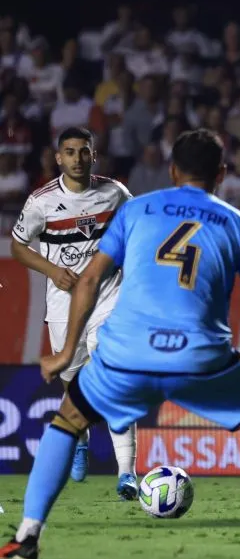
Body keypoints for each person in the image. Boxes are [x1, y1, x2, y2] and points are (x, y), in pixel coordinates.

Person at [0, 129, 240, 559]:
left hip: (127, 355)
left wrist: (67, 352)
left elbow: (88, 280)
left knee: (68, 419)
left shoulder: (137, 209)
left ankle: (28, 537)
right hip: (201, 359)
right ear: (221, 173)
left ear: (172, 170)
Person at [10, 126, 138, 499]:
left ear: (93, 155)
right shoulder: (41, 202)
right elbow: (18, 246)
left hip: (108, 297)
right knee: (75, 386)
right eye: (70, 152)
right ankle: (80, 438)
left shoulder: (115, 193)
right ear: (58, 157)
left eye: (84, 152)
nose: (78, 159)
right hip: (64, 305)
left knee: (115, 377)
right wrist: (52, 271)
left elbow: (138, 230)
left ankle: (126, 473)